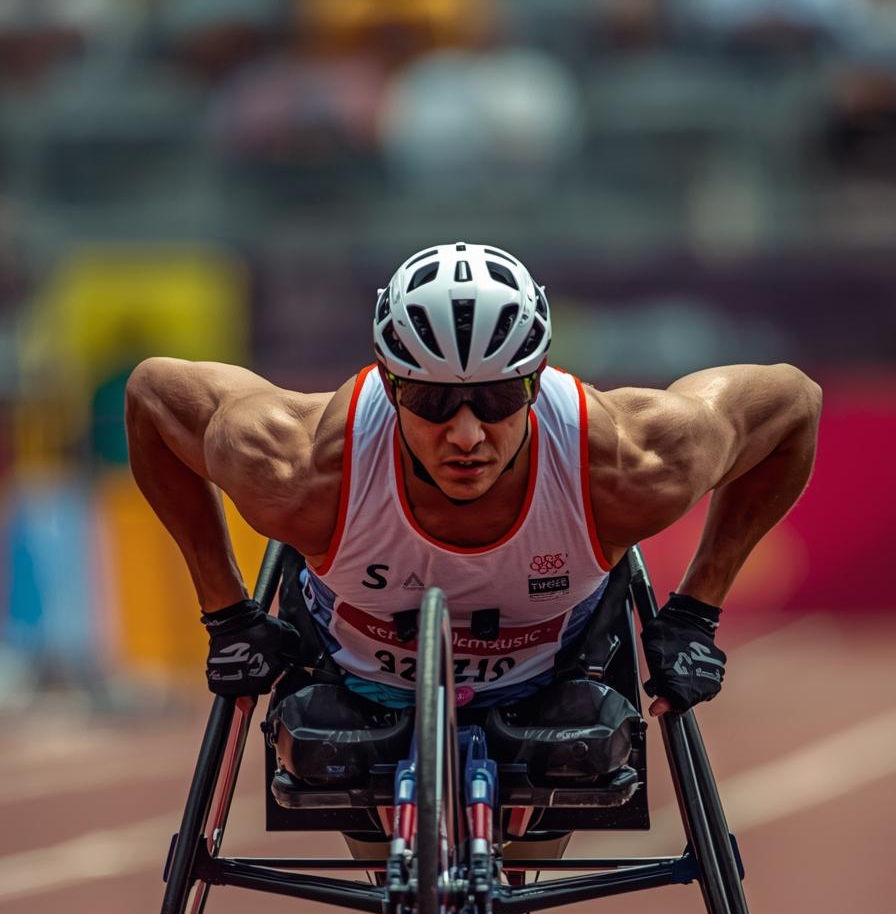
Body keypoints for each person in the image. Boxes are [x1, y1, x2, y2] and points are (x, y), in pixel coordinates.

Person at [124, 240, 821, 724]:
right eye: (431, 403)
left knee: (582, 747)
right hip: (358, 674)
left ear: (535, 380)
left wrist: (698, 611)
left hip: (552, 672)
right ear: (392, 385)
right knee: (320, 742)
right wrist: (228, 616)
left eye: (495, 401)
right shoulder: (300, 469)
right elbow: (153, 393)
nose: (465, 434)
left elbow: (793, 402)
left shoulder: (630, 463)